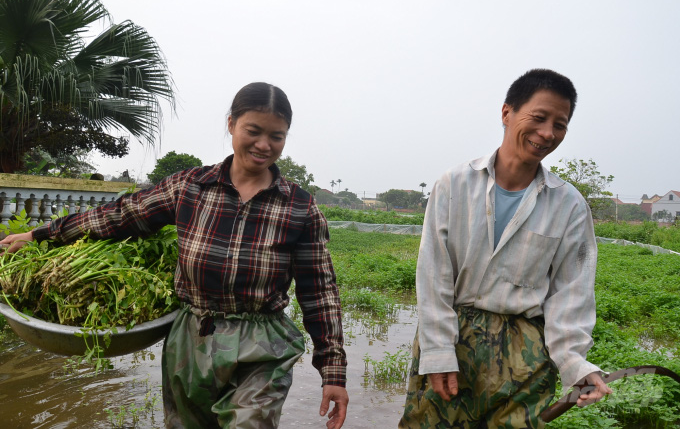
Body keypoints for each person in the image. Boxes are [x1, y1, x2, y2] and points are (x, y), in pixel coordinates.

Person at [2, 82, 349, 429]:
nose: (264, 145)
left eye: (277, 136)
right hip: (192, 337)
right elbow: (118, 217)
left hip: (263, 344)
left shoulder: (299, 206)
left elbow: (319, 292)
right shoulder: (189, 187)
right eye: (253, 131)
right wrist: (39, 235)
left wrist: (333, 372)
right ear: (231, 124)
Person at [398, 69, 612, 428]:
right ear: (507, 113)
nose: (547, 133)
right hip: (454, 339)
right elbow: (434, 275)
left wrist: (576, 365)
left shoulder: (569, 205)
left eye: (560, 125)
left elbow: (571, 295)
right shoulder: (455, 184)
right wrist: (437, 351)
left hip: (525, 351)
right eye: (539, 117)